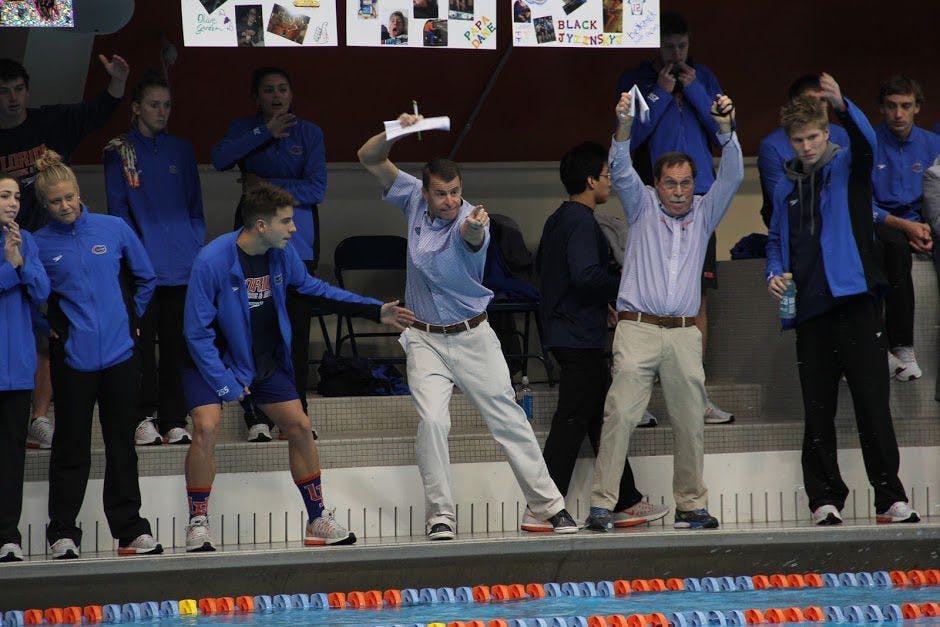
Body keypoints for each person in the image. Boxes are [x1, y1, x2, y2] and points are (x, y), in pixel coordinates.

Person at [358, 112, 578, 539]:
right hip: (424, 338)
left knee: (509, 420)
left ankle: (547, 507)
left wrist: (476, 228)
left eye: (455, 192)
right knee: (434, 422)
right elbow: (367, 156)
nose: (450, 201)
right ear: (424, 192)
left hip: (474, 335)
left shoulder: (470, 221)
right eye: (441, 194)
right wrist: (399, 130)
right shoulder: (411, 199)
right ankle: (441, 514)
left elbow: (473, 237)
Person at [182, 182, 415, 551]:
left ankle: (317, 518)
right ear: (261, 226)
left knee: (301, 426)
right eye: (287, 221)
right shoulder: (211, 261)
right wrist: (225, 383)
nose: (294, 229)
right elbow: (196, 333)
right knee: (206, 428)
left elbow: (317, 289)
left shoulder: (282, 256)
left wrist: (375, 309)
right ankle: (198, 521)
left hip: (261, 359)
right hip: (213, 357)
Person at [765, 74, 918, 526]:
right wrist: (773, 273)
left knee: (874, 404)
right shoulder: (784, 185)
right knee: (817, 411)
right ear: (788, 142)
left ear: (826, 133)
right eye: (799, 140)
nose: (807, 146)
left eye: (813, 137)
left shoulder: (849, 165)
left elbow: (869, 140)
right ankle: (824, 500)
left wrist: (843, 103)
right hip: (810, 311)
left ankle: (890, 498)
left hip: (856, 305)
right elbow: (776, 240)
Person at [585, 91, 741, 532]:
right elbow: (619, 166)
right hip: (637, 329)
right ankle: (603, 504)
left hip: (685, 334)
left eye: (686, 182)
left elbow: (730, 175)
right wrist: (623, 124)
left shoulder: (706, 212)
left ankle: (691, 506)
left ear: (695, 183)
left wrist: (726, 131)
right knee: (620, 415)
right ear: (657, 184)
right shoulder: (640, 206)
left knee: (691, 422)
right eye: (670, 183)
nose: (678, 191)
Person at [32, 150, 162, 559]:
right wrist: (49, 331)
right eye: (55, 201)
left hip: (122, 356)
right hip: (74, 360)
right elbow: (30, 299)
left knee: (122, 445)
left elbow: (146, 278)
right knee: (71, 448)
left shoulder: (113, 228)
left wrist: (132, 319)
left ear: (78, 192)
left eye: (69, 197)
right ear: (44, 204)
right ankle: (63, 534)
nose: (65, 206)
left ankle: (130, 531)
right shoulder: (39, 243)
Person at [536, 141, 669, 529]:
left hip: (573, 329)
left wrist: (600, 306)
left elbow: (556, 272)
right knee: (573, 419)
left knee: (598, 418)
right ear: (591, 179)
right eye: (607, 175)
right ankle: (543, 505)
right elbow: (585, 275)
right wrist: (629, 285)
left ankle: (625, 499)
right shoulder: (580, 221)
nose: (610, 182)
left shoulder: (560, 218)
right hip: (577, 335)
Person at [0, 55, 129, 450]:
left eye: (18, 89)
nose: (13, 99)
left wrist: (119, 81)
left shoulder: (49, 123)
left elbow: (97, 112)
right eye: (3, 92)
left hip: (55, 250)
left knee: (49, 334)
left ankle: (39, 417)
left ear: (28, 90)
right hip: (10, 250)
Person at [613, 12, 732, 425]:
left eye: (681, 46)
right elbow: (629, 141)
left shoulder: (705, 76)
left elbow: (722, 134)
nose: (676, 54)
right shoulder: (635, 79)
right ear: (654, 45)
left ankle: (697, 398)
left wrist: (694, 86)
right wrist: (661, 93)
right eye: (668, 47)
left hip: (700, 203)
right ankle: (639, 399)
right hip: (656, 202)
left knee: (696, 300)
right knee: (646, 302)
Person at [212, 67, 327, 440]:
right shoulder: (245, 128)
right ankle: (254, 416)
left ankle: (297, 416)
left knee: (292, 330)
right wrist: (265, 132)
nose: (276, 96)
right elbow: (219, 158)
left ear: (292, 94)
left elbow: (315, 189)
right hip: (252, 243)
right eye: (267, 90)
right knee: (250, 328)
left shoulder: (310, 134)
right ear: (256, 97)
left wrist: (263, 186)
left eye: (282, 89)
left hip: (298, 242)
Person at [104, 72, 204, 447]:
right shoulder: (119, 150)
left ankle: (174, 419)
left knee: (177, 345)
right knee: (141, 347)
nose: (162, 112)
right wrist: (136, 257)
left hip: (183, 267)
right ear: (135, 109)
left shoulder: (182, 149)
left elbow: (195, 206)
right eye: (153, 105)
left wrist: (194, 244)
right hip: (141, 269)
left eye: (167, 105)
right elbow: (118, 211)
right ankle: (141, 417)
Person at [870, 76, 940, 382]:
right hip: (881, 222)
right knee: (894, 246)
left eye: (906, 106)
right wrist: (906, 227)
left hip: (923, 220)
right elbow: (860, 204)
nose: (898, 114)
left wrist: (925, 228)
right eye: (891, 106)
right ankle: (900, 345)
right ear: (882, 109)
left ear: (918, 108)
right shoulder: (868, 142)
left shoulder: (933, 143)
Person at [0, 174, 49, 563]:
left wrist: (20, 264)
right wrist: (11, 268)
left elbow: (41, 290)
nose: (13, 203)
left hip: (15, 369)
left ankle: (7, 536)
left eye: (17, 196)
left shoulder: (26, 240)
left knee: (10, 457)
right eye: (4, 195)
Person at [757, 74, 850, 228]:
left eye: (823, 100)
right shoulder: (772, 146)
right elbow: (782, 202)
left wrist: (842, 106)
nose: (820, 106)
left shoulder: (842, 135)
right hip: (795, 222)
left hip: (838, 221)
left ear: (826, 134)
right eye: (812, 100)